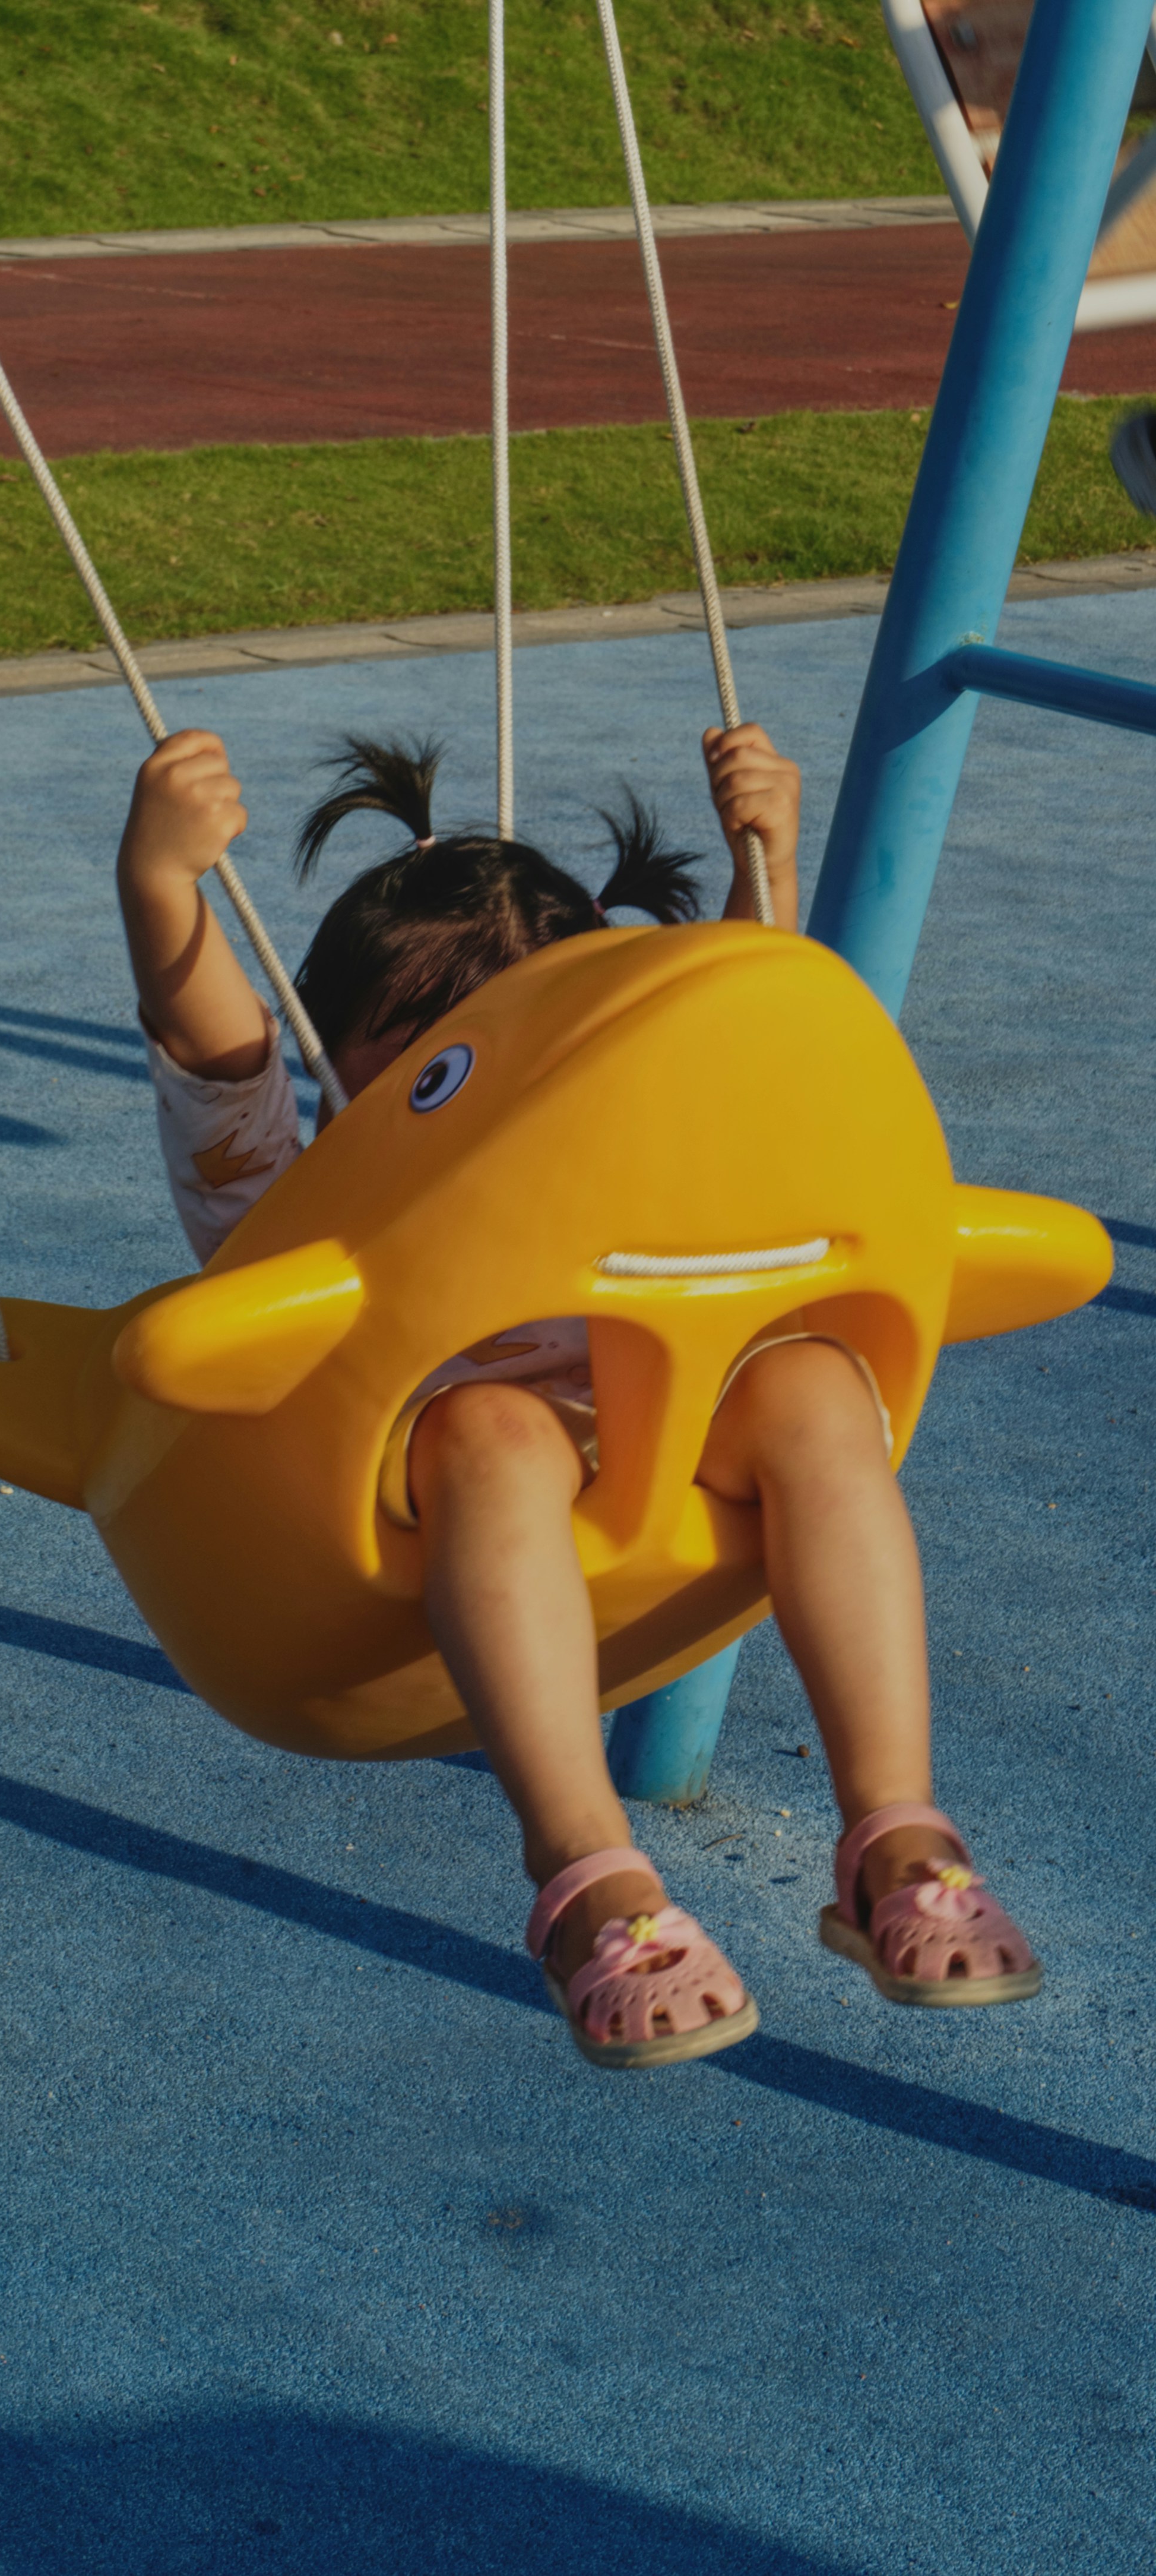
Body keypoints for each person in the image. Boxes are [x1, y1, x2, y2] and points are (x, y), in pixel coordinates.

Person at [115, 720, 1042, 2069]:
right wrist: (160, 889)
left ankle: (893, 1833)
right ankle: (585, 1875)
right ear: (339, 1072)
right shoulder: (299, 1196)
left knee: (812, 1387)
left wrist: (764, 873)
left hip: (660, 1441)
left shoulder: (629, 1169)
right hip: (387, 1503)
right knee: (492, 1428)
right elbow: (218, 1057)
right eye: (428, 1062)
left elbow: (717, 1050)